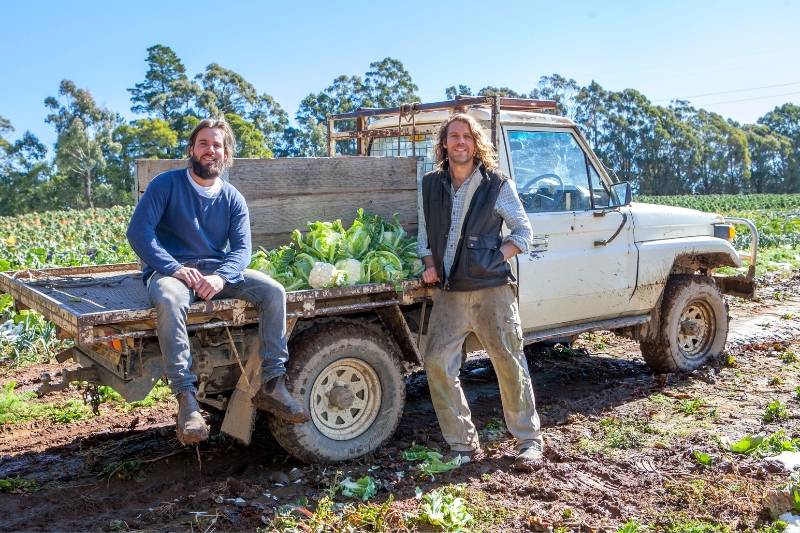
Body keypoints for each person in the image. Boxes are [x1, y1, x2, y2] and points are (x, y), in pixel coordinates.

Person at [127, 118, 308, 445]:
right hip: (172, 272)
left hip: (214, 271)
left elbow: (242, 250)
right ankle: (187, 400)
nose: (211, 150)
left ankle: (272, 384)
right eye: (204, 144)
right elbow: (139, 233)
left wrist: (221, 277)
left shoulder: (232, 197)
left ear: (226, 154)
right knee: (169, 300)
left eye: (217, 145)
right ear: (191, 149)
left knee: (273, 292)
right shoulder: (166, 185)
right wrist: (176, 269)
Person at [417, 113, 544, 471]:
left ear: (476, 144)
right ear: (444, 143)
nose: (460, 142)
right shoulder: (430, 184)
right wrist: (428, 261)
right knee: (437, 363)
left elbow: (523, 232)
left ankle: (528, 440)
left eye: (467, 137)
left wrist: (494, 259)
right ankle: (463, 445)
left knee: (508, 360)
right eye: (453, 136)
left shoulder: (497, 184)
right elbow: (425, 235)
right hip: (450, 291)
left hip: (492, 291)